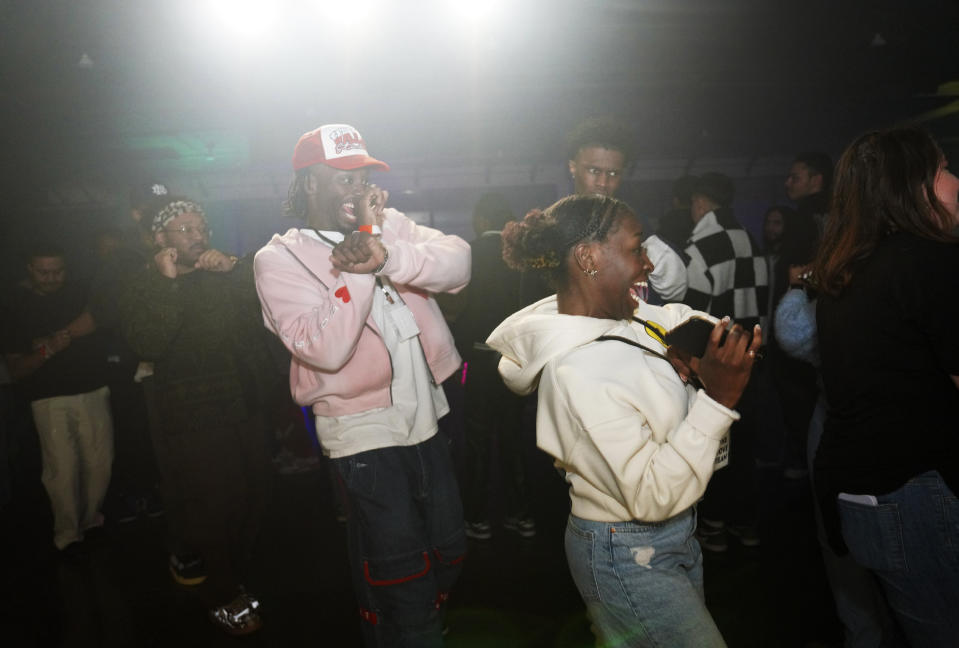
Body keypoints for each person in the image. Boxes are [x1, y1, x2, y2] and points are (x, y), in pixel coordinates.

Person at [487, 194, 761, 647]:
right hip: (628, 550)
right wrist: (716, 399)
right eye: (637, 249)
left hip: (670, 535)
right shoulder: (578, 371)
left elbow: (677, 317)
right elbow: (651, 495)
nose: (649, 264)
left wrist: (704, 345)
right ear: (589, 257)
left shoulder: (628, 322)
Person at [254, 123, 470, 647]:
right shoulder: (278, 259)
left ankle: (396, 625)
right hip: (361, 434)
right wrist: (359, 267)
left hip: (429, 418)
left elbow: (460, 263)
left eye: (363, 177)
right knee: (403, 575)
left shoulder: (388, 224)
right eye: (343, 178)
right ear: (309, 183)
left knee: (450, 551)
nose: (357, 190)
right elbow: (324, 350)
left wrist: (386, 252)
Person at [812, 126, 959, 646]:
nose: (955, 180)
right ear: (913, 185)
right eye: (943, 168)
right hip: (916, 493)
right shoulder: (928, 260)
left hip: (861, 494)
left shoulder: (846, 269)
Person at [120, 197, 274, 636]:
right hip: (192, 413)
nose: (197, 235)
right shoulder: (144, 283)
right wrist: (167, 285)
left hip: (245, 405)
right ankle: (221, 595)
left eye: (200, 226)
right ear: (159, 239)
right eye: (184, 229)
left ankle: (228, 571)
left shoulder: (219, 274)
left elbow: (263, 310)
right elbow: (149, 343)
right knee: (213, 504)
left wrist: (235, 270)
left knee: (255, 495)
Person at [2, 243, 113, 553]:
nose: (52, 278)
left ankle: (90, 519)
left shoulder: (79, 291)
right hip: (47, 398)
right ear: (29, 269)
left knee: (100, 464)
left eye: (58, 271)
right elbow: (16, 367)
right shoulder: (14, 305)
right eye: (44, 272)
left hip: (93, 388)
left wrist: (57, 337)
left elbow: (95, 319)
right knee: (61, 471)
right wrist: (49, 348)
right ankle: (67, 536)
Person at [682, 172, 768, 551]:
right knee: (747, 444)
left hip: (716, 364)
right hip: (752, 355)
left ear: (700, 203)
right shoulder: (751, 240)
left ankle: (713, 523)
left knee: (715, 445)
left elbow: (693, 316)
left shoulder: (701, 248)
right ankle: (745, 522)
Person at [520, 117, 687, 306]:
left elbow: (673, 292)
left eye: (613, 173)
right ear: (573, 167)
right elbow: (530, 306)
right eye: (593, 170)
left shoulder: (635, 226)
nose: (603, 183)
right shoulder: (549, 226)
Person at [452, 193, 533, 540]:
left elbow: (455, 308)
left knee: (477, 440)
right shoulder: (524, 257)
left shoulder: (467, 254)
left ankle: (477, 518)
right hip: (516, 359)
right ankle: (522, 514)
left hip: (479, 358)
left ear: (482, 220)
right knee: (516, 437)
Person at [785, 151, 832, 235]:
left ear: (816, 180)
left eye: (795, 178)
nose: (787, 183)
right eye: (789, 178)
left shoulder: (806, 213)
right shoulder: (839, 207)